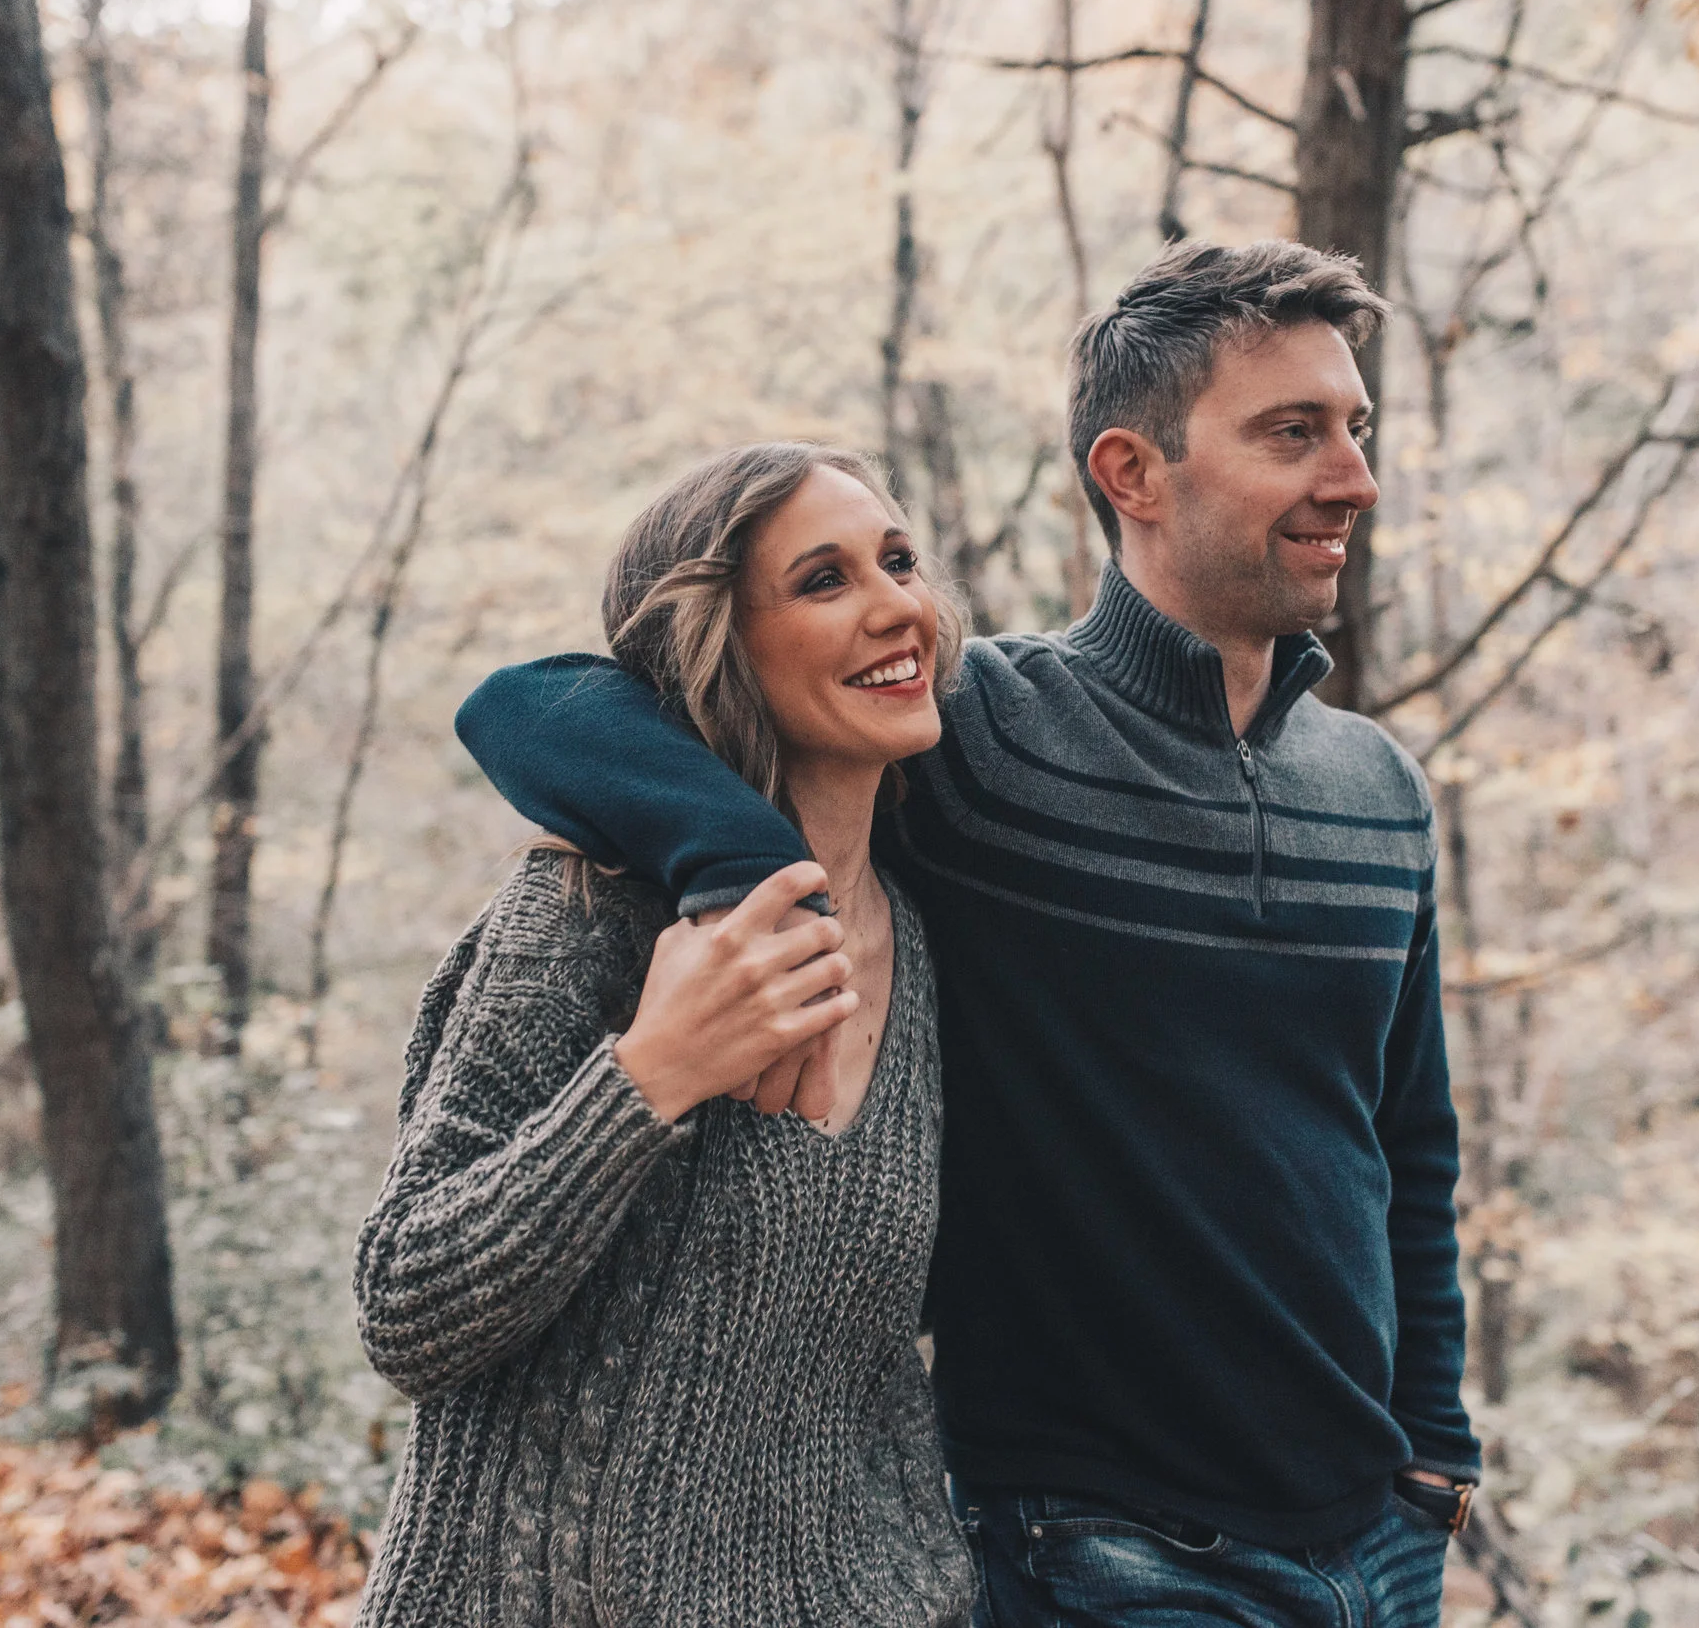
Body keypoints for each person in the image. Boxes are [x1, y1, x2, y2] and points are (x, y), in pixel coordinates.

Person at [458, 241, 1478, 1627]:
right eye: (1293, 432)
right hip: (1106, 1546)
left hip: (1375, 1547)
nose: (1352, 475)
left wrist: (1433, 1460)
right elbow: (533, 703)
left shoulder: (1380, 791)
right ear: (1132, 472)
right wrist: (750, 867)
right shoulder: (981, 739)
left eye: (1354, 428)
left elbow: (1408, 1145)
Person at [352, 443, 976, 1628]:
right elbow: (408, 1305)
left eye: (898, 561)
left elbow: (866, 1367)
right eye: (825, 580)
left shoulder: (927, 949)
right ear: (721, 647)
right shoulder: (589, 913)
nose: (899, 605)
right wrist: (650, 1074)